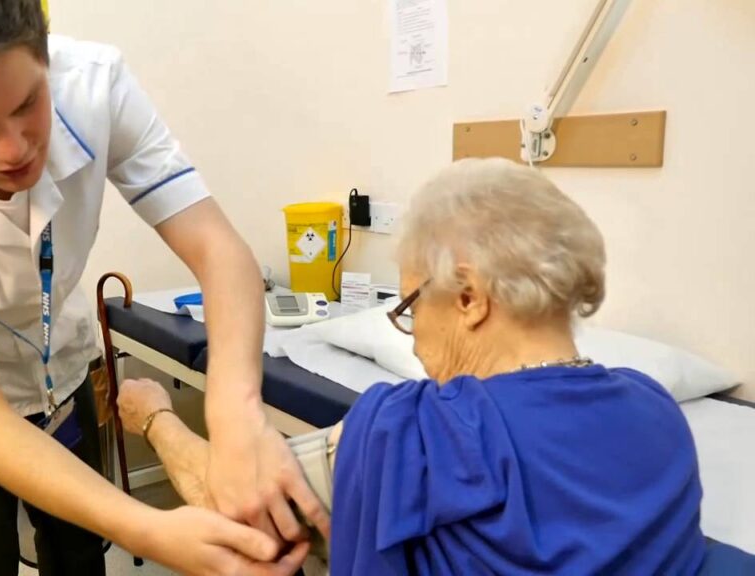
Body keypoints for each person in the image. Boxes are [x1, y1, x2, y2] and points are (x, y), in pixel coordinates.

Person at [0, 1, 324, 574]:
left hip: (61, 369)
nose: (14, 150)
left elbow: (218, 251)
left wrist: (235, 412)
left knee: (79, 555)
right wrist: (147, 530)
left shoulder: (94, 84)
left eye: (28, 104)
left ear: (43, 54)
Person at [117, 157, 707, 575]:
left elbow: (232, 502)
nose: (415, 339)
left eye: (409, 307)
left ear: (470, 298)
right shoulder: (659, 410)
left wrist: (154, 416)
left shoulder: (421, 433)